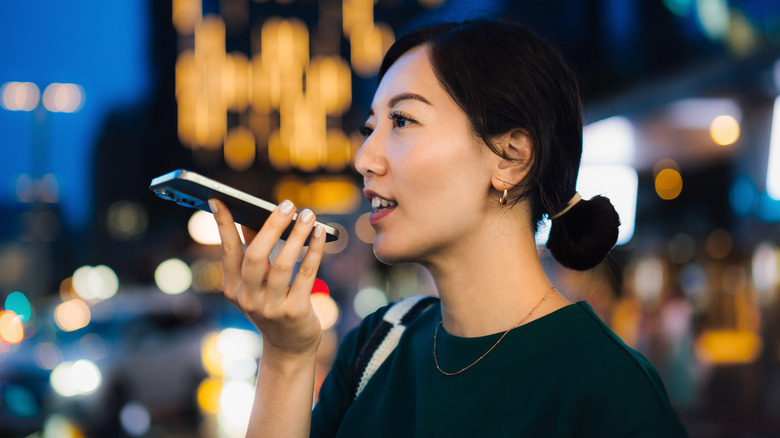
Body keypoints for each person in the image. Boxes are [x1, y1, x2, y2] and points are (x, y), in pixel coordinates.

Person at [209, 19, 688, 437]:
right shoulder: (378, 345)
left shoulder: (611, 392)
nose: (364, 159)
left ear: (510, 158)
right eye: (369, 128)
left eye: (402, 120)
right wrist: (286, 355)